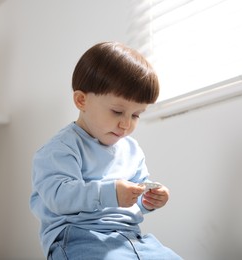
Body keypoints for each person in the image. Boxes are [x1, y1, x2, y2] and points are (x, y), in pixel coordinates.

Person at [30, 41, 182, 259]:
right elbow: (59, 197)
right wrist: (109, 193)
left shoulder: (131, 149)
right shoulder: (61, 148)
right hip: (80, 236)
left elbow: (136, 196)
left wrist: (149, 199)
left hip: (130, 236)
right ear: (82, 100)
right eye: (117, 111)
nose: (126, 124)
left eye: (136, 115)